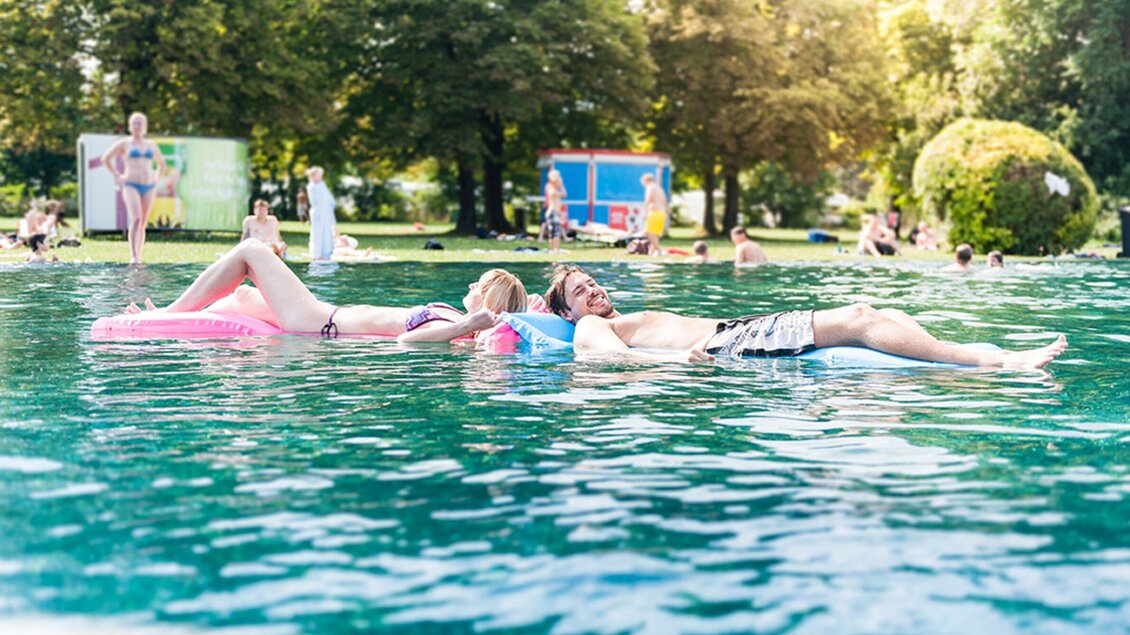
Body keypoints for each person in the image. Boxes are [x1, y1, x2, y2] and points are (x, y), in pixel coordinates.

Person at [542, 264, 1067, 368]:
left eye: (592, 283)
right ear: (565, 312)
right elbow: (610, 362)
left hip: (737, 332)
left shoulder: (620, 313)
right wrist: (683, 358)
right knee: (861, 314)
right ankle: (992, 363)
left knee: (888, 310)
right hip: (729, 344)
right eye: (579, 291)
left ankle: (949, 360)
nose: (592, 291)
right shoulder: (590, 327)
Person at [123, 240, 528, 344]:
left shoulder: (455, 326)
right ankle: (176, 319)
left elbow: (408, 340)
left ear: (489, 301)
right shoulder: (456, 320)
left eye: (481, 284)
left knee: (252, 252)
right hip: (322, 314)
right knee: (240, 300)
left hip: (317, 324)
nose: (472, 284)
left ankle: (159, 315)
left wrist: (471, 324)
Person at [100, 112, 167, 264]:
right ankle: (133, 256)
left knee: (143, 221)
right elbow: (106, 158)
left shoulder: (151, 145)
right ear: (130, 126)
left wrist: (156, 178)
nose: (137, 125)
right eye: (134, 123)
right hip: (131, 185)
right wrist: (117, 174)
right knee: (136, 218)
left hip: (149, 186)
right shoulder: (125, 143)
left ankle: (139, 255)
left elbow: (162, 164)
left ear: (145, 126)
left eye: (140, 123)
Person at [306, 166, 337, 261]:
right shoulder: (312, 186)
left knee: (326, 232)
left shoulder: (322, 185)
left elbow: (328, 199)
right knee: (317, 233)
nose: (320, 177)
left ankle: (325, 253)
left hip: (325, 213)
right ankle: (316, 254)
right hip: (318, 213)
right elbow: (317, 201)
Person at [641, 173, 668, 255]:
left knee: (648, 232)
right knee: (655, 233)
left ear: (645, 180)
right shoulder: (659, 189)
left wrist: (645, 212)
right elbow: (664, 201)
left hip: (654, 211)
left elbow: (648, 200)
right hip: (662, 212)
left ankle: (659, 250)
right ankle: (653, 251)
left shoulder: (650, 187)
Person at [543, 170, 566, 253]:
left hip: (552, 212)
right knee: (555, 232)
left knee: (552, 232)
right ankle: (555, 249)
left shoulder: (552, 188)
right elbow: (563, 194)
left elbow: (563, 194)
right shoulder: (552, 190)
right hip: (553, 212)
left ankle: (553, 249)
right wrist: (561, 184)